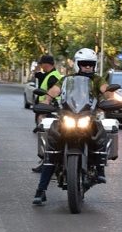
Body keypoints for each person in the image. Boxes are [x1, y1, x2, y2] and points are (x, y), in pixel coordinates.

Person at [32, 48, 111, 205]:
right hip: (68, 115)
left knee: (100, 132)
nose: (87, 67)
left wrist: (109, 98)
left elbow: (106, 91)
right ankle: (41, 191)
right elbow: (54, 91)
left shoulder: (98, 80)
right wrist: (47, 100)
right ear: (77, 64)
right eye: (84, 64)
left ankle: (100, 168)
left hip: (88, 116)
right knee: (52, 148)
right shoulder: (67, 79)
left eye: (90, 64)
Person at [31, 55, 61, 172]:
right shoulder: (51, 75)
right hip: (49, 110)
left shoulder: (53, 77)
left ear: (46, 64)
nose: (40, 66)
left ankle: (47, 163)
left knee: (46, 139)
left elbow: (51, 95)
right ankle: (48, 162)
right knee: (48, 138)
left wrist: (43, 113)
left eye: (41, 63)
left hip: (49, 111)